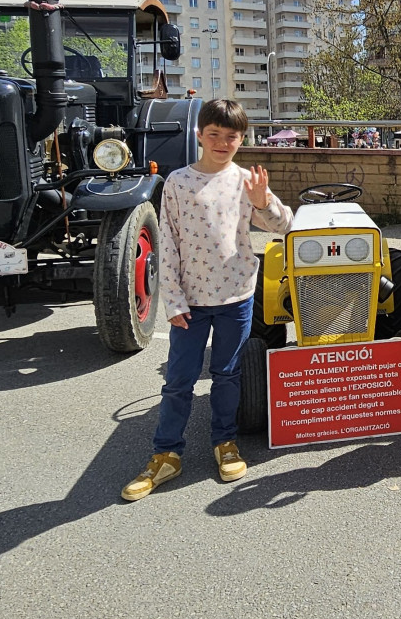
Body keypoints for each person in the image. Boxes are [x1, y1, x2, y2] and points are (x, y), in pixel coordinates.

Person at [122, 98, 292, 501]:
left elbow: (285, 227)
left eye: (230, 136)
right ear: (199, 135)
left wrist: (263, 201)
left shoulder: (246, 181)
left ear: (241, 139)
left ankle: (225, 442)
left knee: (228, 374)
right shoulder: (178, 182)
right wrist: (174, 301)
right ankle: (166, 452)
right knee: (179, 380)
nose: (222, 142)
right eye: (213, 134)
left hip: (237, 295)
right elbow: (170, 246)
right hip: (192, 302)